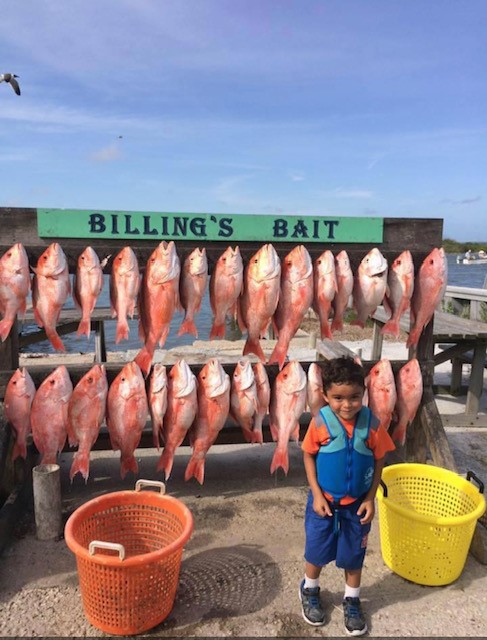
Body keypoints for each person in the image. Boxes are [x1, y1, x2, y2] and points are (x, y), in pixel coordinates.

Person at [299, 357, 395, 636]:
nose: (347, 404)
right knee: (316, 552)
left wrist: (370, 498)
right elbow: (307, 454)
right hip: (324, 503)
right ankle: (310, 589)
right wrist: (316, 494)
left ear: (363, 394)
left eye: (354, 397)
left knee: (354, 557)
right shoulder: (319, 422)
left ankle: (352, 600)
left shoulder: (372, 424)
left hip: (357, 506)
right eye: (338, 397)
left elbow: (380, 459)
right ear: (325, 395)